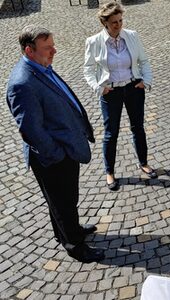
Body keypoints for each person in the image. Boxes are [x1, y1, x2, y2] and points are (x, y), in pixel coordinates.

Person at [6, 25, 104, 263]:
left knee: (64, 200)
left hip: (64, 148)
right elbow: (30, 130)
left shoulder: (40, 66)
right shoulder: (22, 83)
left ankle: (66, 232)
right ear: (29, 51)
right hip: (53, 157)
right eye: (47, 48)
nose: (54, 51)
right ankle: (75, 245)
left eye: (53, 45)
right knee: (62, 202)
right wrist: (58, 154)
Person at [84, 1, 157, 191]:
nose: (118, 24)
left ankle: (144, 162)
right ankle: (110, 172)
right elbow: (88, 70)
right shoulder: (93, 42)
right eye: (114, 22)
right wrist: (99, 88)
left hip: (133, 88)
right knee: (111, 133)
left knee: (138, 128)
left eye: (120, 20)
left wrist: (145, 81)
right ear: (104, 23)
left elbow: (144, 61)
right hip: (111, 92)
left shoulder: (132, 36)